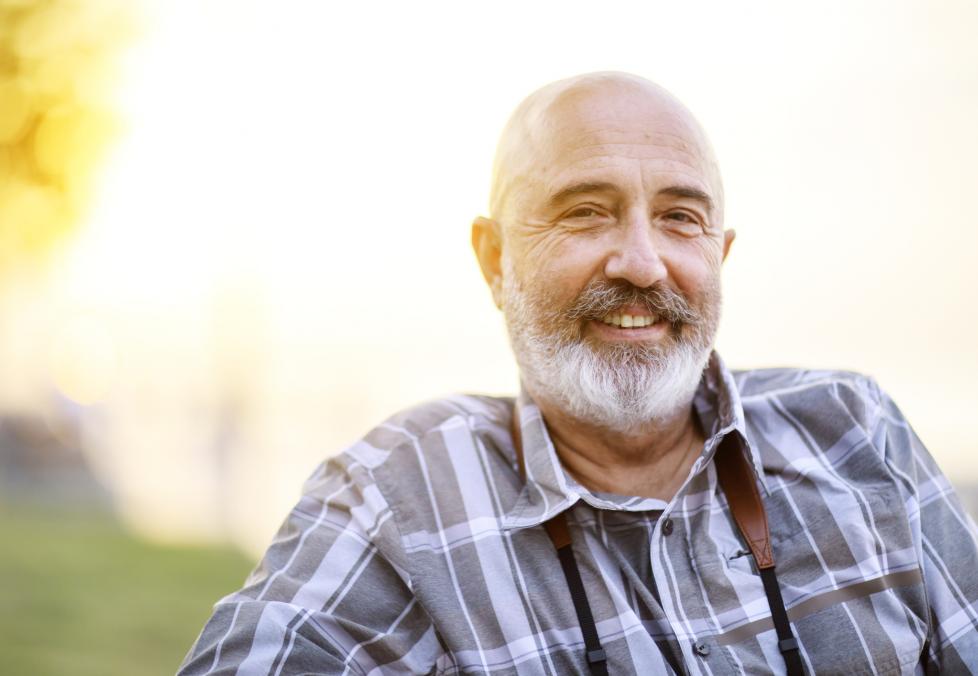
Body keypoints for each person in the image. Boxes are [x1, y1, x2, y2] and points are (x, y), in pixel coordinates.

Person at [179, 72, 978, 675]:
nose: (640, 262)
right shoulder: (398, 498)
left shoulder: (854, 429)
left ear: (720, 256)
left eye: (680, 219)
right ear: (495, 260)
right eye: (585, 211)